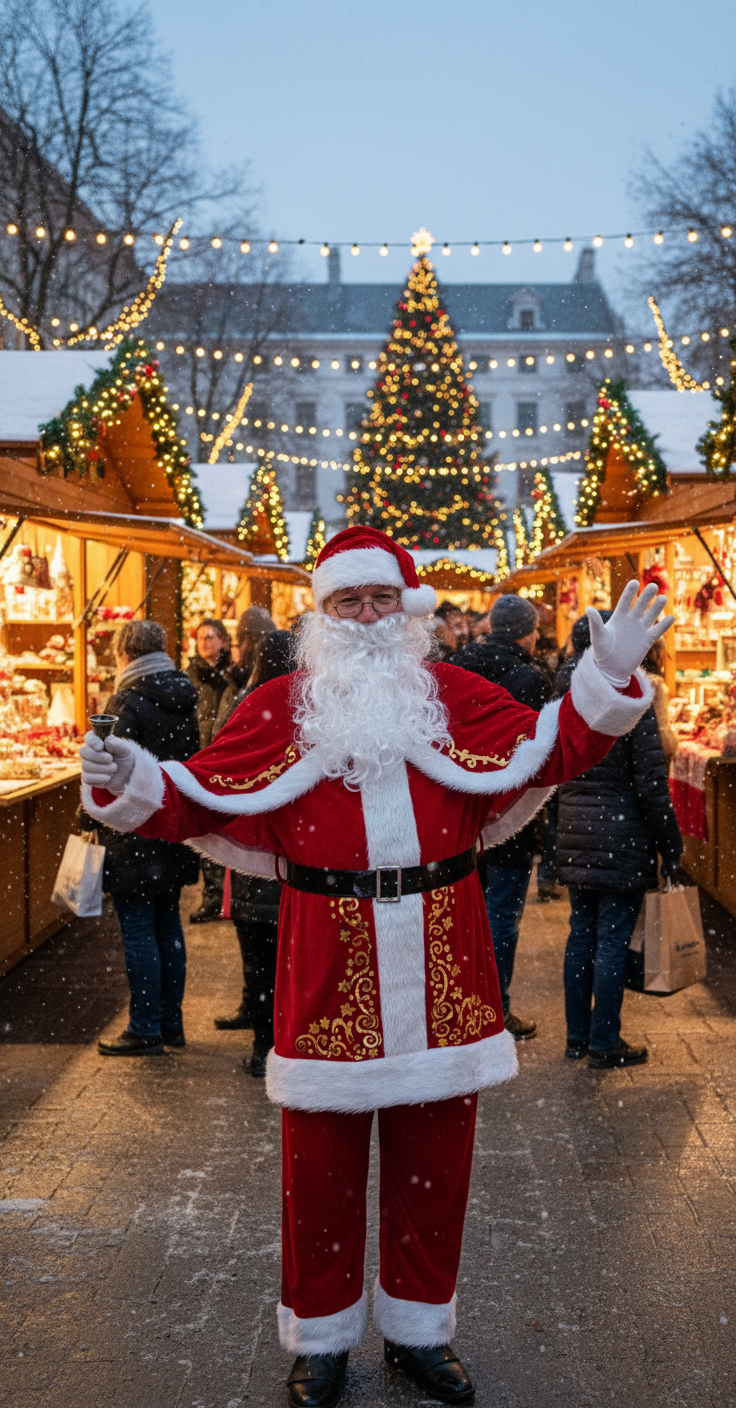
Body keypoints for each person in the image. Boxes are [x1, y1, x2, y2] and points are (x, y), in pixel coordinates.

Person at [80, 526, 670, 1408]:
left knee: (438, 1158)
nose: (365, 617)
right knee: (318, 1166)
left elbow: (556, 747)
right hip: (326, 955)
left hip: (445, 953)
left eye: (380, 599)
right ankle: (320, 1340)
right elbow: (196, 792)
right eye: (348, 602)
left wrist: (607, 674)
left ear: (409, 609)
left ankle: (421, 1331)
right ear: (322, 614)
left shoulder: (456, 697)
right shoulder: (279, 708)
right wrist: (123, 772)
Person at [555, 614, 683, 1068]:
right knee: (611, 939)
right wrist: (671, 845)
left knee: (581, 934)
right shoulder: (633, 694)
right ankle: (604, 1042)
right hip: (621, 833)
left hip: (576, 829)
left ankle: (577, 1037)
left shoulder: (565, 691)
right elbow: (650, 783)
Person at [85, 619, 199, 1056]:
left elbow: (109, 770)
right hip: (171, 825)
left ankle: (145, 1027)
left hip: (134, 829)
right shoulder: (183, 694)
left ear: (123, 653)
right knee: (168, 926)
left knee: (138, 931)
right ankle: (170, 1023)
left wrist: (89, 813)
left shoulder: (127, 699)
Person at [458, 594, 552, 1039]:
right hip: (510, 810)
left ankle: (465, 1006)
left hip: (463, 809)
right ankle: (495, 1011)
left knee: (467, 914)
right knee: (501, 916)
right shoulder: (530, 678)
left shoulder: (460, 666)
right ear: (527, 634)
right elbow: (537, 748)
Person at [213, 631, 295, 1051]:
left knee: (259, 961)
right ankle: (289, 1043)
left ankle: (265, 1047)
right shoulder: (312, 712)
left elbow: (219, 765)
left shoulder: (248, 707)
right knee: (293, 963)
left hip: (254, 852)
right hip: (297, 859)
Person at [187, 618, 235, 923]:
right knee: (205, 830)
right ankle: (213, 896)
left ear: (223, 641)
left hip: (227, 759)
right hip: (200, 758)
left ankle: (229, 898)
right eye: (201, 637)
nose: (205, 642)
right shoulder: (190, 676)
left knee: (230, 830)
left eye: (211, 637)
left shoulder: (233, 674)